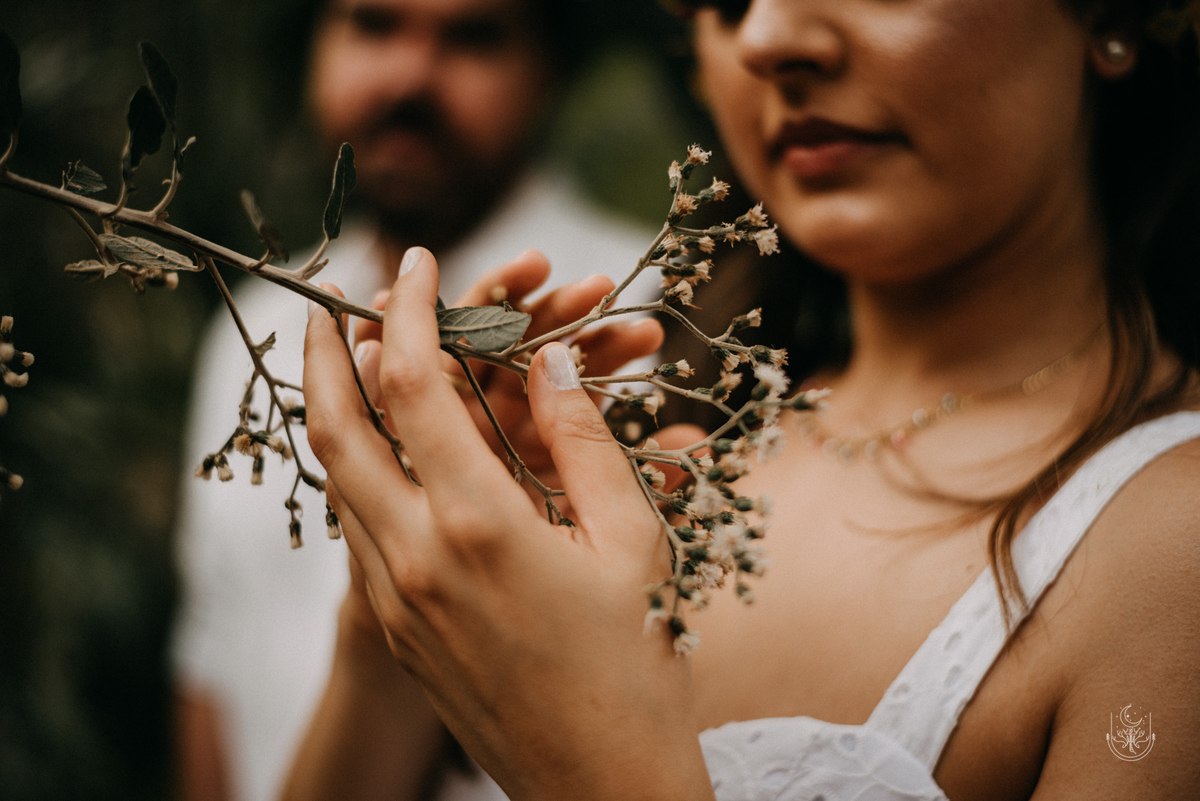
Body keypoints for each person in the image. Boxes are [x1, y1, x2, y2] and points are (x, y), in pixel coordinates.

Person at [295, 0, 1200, 799]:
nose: (766, 36)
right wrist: (395, 630)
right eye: (723, 1)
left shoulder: (1169, 551)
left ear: (1111, 14)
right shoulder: (663, 430)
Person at [171, 1, 663, 799]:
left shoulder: (632, 323)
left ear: (551, 71)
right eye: (374, 23)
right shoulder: (250, 327)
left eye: (475, 37)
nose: (410, 75)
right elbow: (212, 658)